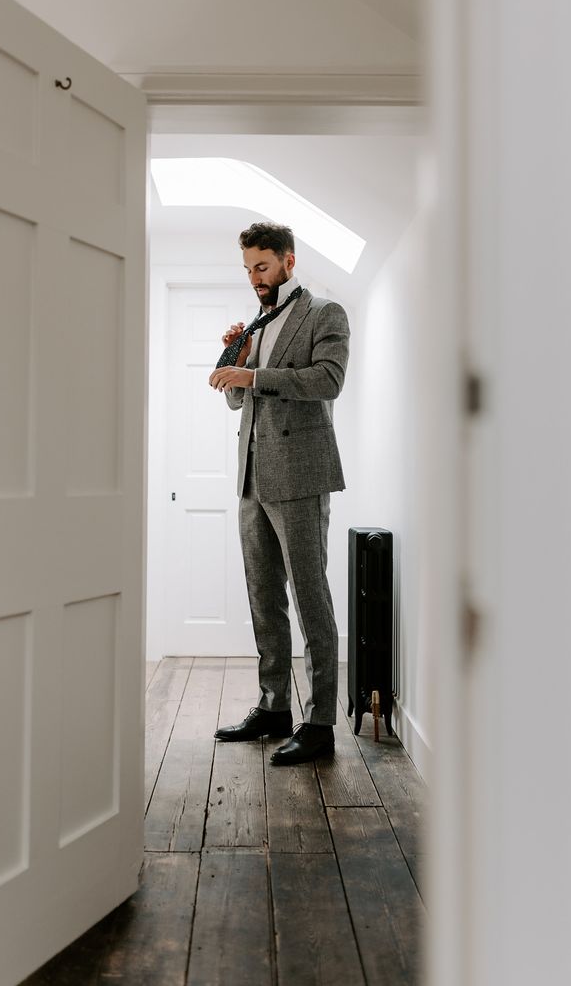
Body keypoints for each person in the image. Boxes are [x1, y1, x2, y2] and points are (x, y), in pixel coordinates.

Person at [208, 222, 350, 765]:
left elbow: (327, 381)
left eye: (262, 267)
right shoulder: (257, 325)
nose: (254, 278)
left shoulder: (324, 314)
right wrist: (234, 364)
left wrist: (255, 376)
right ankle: (273, 707)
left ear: (289, 261)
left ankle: (319, 724)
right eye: (247, 269)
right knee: (264, 597)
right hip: (252, 476)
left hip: (300, 477)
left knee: (311, 597)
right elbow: (237, 401)